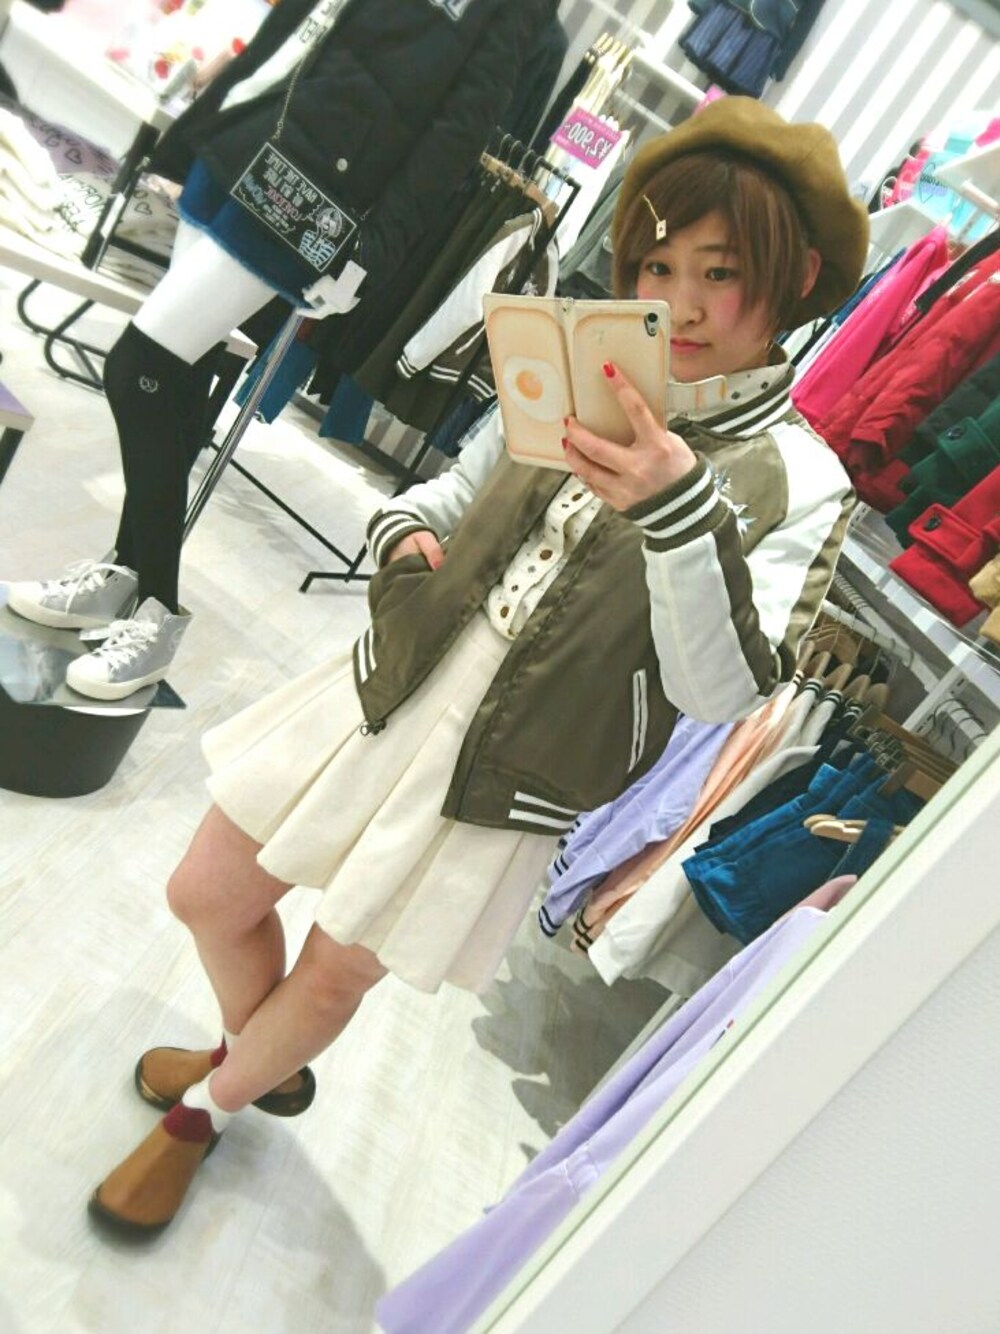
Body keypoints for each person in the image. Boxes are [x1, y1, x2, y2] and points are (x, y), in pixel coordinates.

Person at [86, 96, 869, 1234]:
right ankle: (256, 1059)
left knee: (339, 968)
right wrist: (403, 535)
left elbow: (725, 694)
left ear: (794, 279)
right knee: (207, 889)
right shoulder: (582, 355)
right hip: (395, 681)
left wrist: (677, 514)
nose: (681, 302)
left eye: (722, 272)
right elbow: (449, 490)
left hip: (516, 771)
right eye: (657, 265)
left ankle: (207, 1106)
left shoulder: (800, 480)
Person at [5, 0, 555, 700]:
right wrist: (209, 113)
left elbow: (456, 137)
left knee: (138, 366)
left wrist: (373, 253)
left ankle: (157, 612)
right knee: (179, 375)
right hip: (242, 137)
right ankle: (122, 574)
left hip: (309, 194)